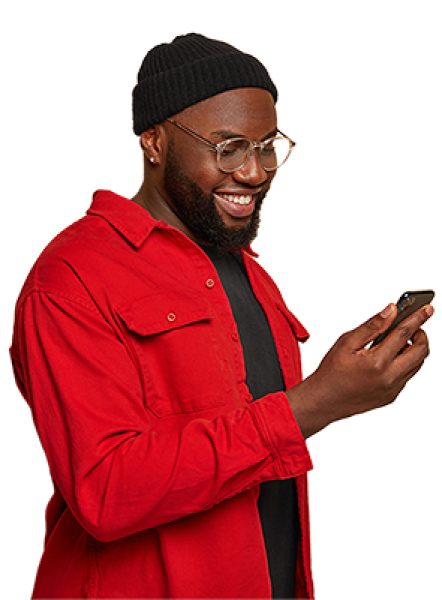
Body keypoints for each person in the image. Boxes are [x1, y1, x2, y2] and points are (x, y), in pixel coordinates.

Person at [8, 33, 433, 600]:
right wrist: (316, 403)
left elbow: (256, 459)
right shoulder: (73, 277)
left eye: (266, 146)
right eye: (228, 147)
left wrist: (346, 382)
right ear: (154, 142)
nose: (254, 173)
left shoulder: (250, 273)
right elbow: (106, 491)